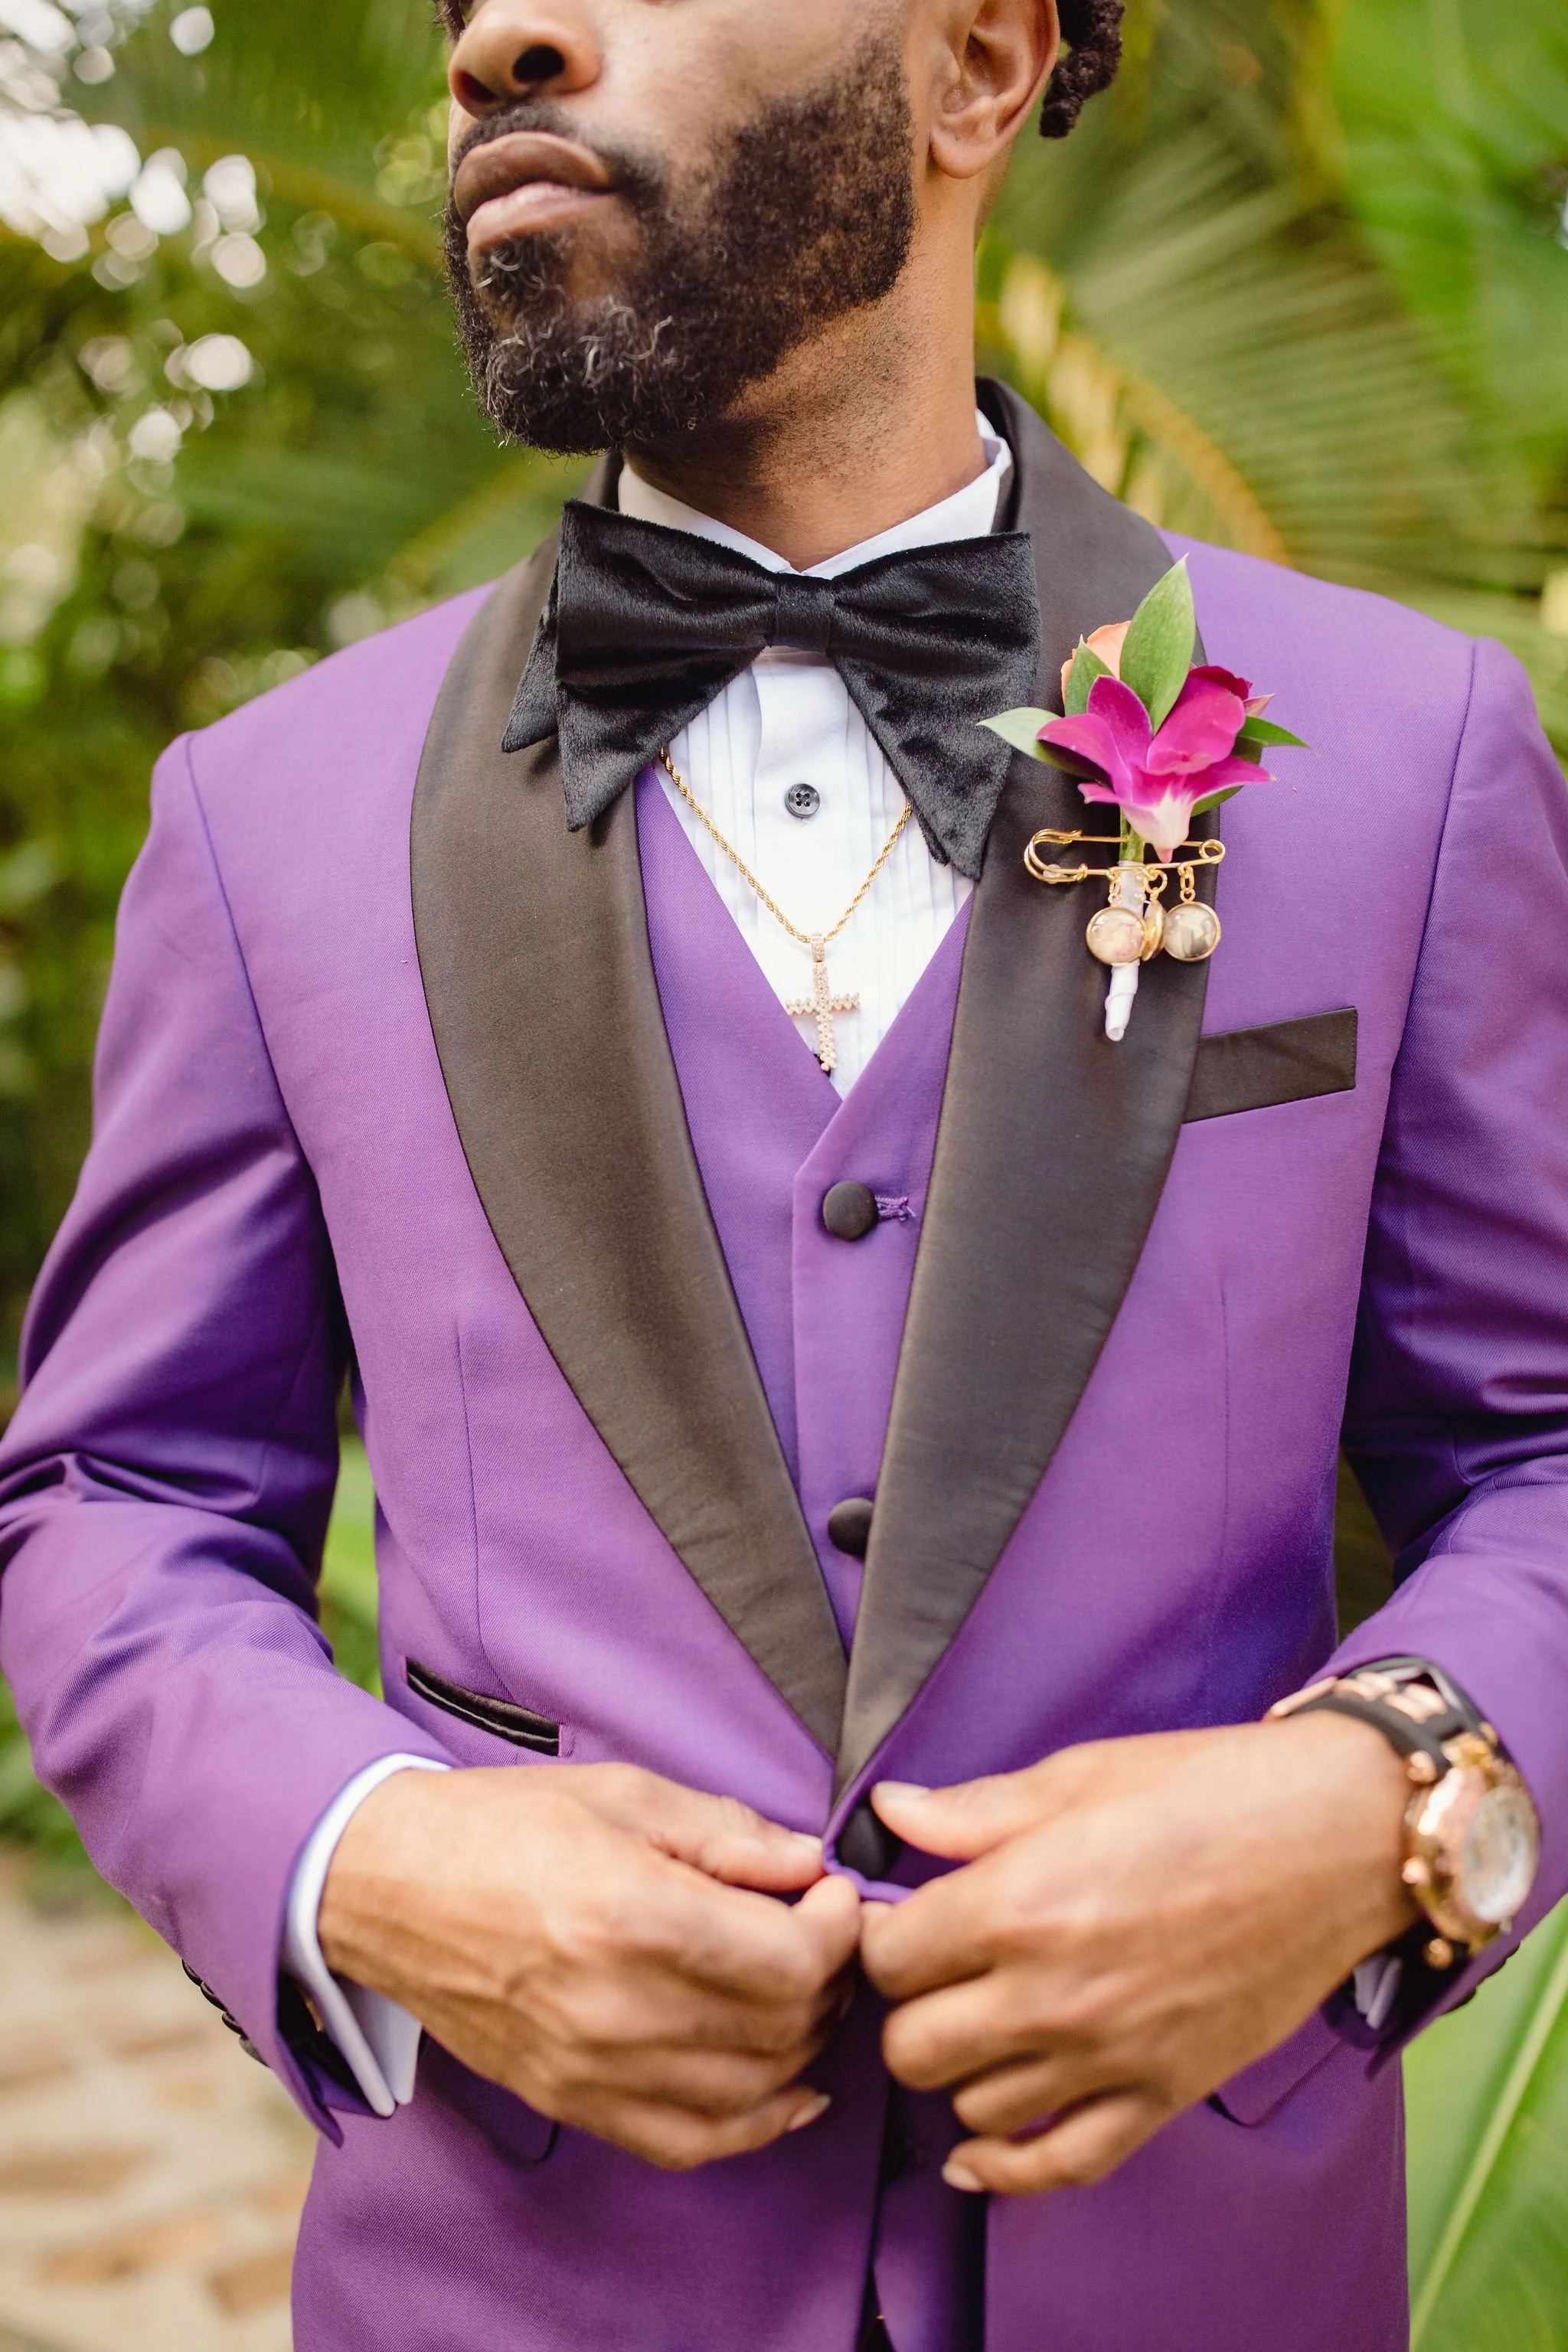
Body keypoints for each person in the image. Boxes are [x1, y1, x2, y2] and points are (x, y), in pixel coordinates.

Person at [0, 0, 1563, 2346]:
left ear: (976, 65)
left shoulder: (1407, 767)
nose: (500, 35)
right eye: (460, 8)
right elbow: (112, 1496)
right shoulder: (268, 820)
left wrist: (1376, 1809)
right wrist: (376, 1857)